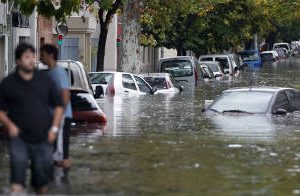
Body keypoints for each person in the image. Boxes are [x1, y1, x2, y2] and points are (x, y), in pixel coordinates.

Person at [0, 43, 64, 194]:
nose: (31, 60)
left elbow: (59, 106)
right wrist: (9, 125)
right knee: (17, 181)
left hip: (43, 136)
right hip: (18, 138)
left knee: (41, 184)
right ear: (18, 61)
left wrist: (54, 129)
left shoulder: (45, 80)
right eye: (27, 57)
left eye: (32, 57)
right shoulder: (8, 83)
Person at [40, 44, 72, 169]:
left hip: (61, 119)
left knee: (62, 157)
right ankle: (55, 184)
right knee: (54, 156)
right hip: (53, 119)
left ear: (51, 55)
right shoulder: (49, 73)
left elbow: (65, 94)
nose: (40, 57)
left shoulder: (58, 73)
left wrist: (60, 118)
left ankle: (63, 185)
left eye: (43, 55)